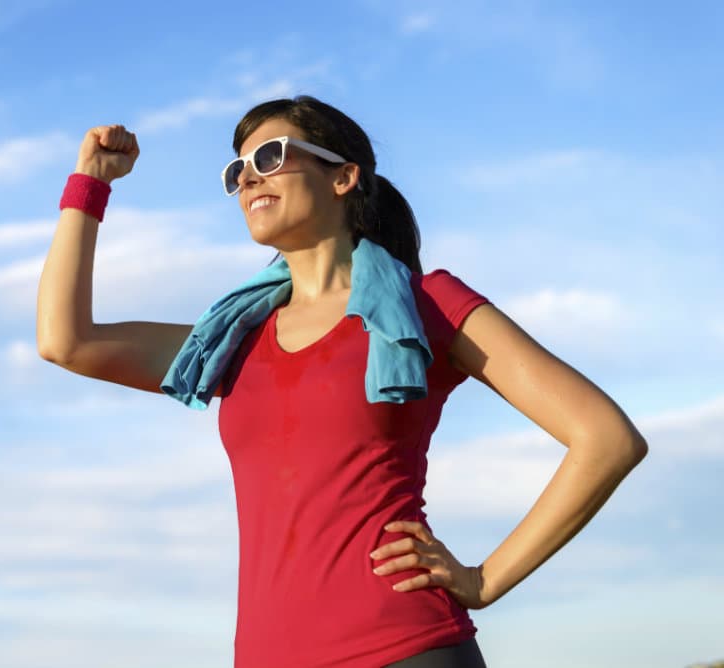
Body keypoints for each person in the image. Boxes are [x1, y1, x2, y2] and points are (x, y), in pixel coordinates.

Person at [36, 95, 648, 668]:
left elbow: (606, 438)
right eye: (238, 170)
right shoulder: (232, 340)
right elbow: (67, 341)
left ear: (343, 177)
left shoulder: (428, 305)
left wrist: (484, 580)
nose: (248, 178)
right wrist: (90, 182)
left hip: (407, 646)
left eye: (269, 158)